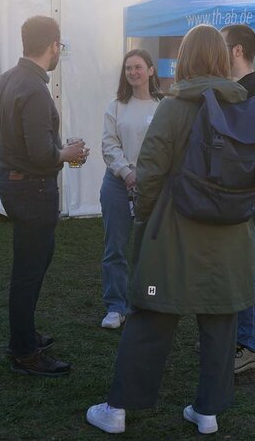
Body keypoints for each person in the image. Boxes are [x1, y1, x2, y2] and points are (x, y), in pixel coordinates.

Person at [86, 24, 255, 435]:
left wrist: (145, 219)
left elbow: (150, 171)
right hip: (230, 234)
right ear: (223, 58)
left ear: (184, 58)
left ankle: (118, 409)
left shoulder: (174, 105)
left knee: (151, 316)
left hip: (174, 230)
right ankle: (208, 411)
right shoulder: (246, 104)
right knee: (220, 321)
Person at [0, 15, 87, 376]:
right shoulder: (33, 87)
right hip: (32, 186)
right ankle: (24, 351)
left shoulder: (7, 79)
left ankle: (25, 335)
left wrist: (59, 150)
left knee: (30, 264)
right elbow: (41, 155)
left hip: (13, 180)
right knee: (29, 270)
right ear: (53, 46)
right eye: (59, 46)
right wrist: (70, 153)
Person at [221, 23, 255, 374]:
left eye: (222, 46)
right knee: (235, 269)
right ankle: (236, 339)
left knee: (247, 270)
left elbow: (254, 149)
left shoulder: (254, 90)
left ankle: (249, 347)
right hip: (237, 194)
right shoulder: (243, 88)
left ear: (237, 50)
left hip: (247, 196)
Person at [99, 49, 161, 330]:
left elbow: (166, 146)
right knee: (116, 248)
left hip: (152, 185)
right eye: (128, 69)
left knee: (151, 249)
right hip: (116, 183)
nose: (132, 72)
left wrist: (144, 175)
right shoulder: (116, 106)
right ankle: (116, 306)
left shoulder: (163, 106)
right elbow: (109, 145)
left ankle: (150, 300)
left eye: (138, 67)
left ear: (150, 70)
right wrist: (126, 172)